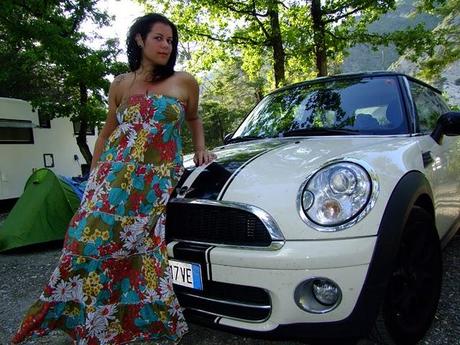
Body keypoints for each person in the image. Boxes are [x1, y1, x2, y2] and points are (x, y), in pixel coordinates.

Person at [13, 13, 215, 345]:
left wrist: (202, 149)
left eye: (170, 40)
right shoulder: (121, 84)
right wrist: (95, 175)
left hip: (155, 180)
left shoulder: (184, 81)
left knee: (138, 247)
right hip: (113, 176)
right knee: (84, 241)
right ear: (139, 39)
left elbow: (193, 119)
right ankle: (88, 319)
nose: (166, 45)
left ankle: (136, 321)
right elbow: (107, 133)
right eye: (159, 38)